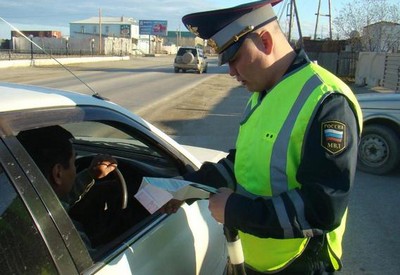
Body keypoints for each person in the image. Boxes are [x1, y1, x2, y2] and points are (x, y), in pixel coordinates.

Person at [176, 0, 364, 274]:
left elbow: (323, 207)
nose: (230, 72)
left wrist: (235, 211)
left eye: (235, 58)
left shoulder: (327, 100)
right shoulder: (262, 94)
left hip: (299, 264)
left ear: (264, 40)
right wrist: (186, 187)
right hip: (253, 259)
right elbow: (247, 161)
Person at [17, 125, 118, 253]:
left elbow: (57, 199)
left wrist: (90, 175)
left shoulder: (18, 194)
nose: (75, 169)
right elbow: (96, 263)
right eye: (73, 163)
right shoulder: (61, 232)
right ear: (58, 173)